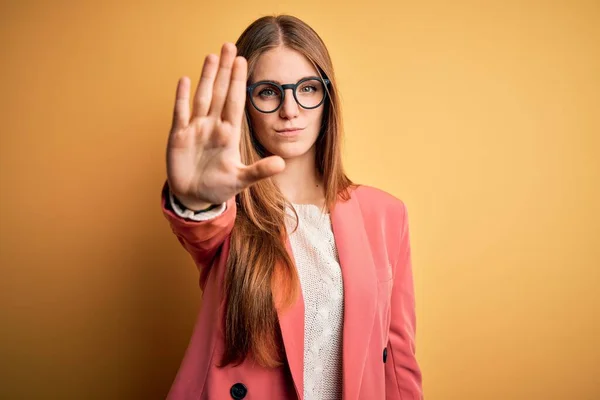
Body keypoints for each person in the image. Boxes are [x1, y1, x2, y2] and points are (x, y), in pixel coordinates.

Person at [161, 14, 423, 400]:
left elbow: (398, 358)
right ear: (244, 102)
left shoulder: (386, 214)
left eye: (308, 88)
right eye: (268, 91)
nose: (290, 109)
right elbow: (201, 228)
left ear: (327, 98)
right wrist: (196, 199)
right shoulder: (228, 211)